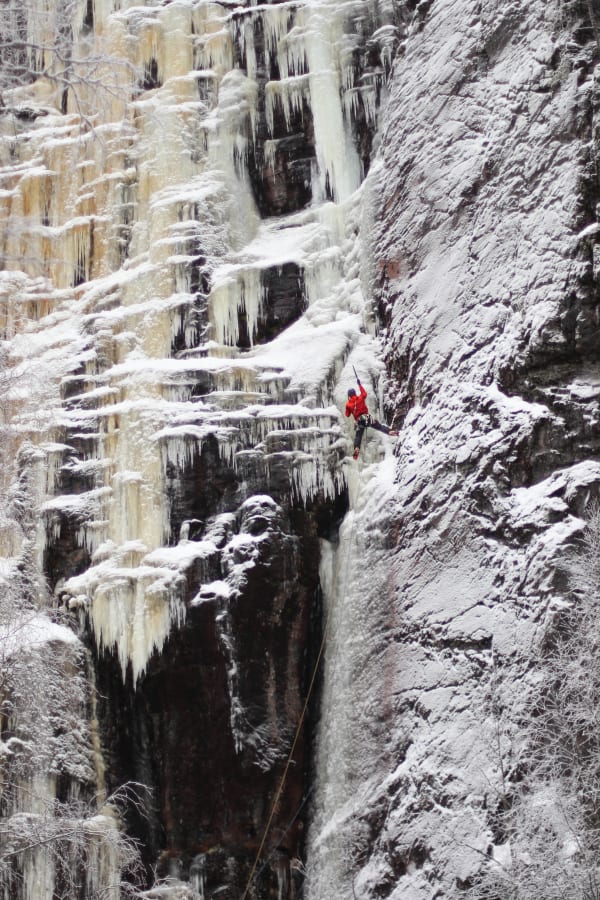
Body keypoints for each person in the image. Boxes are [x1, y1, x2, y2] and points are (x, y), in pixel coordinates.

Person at [345, 378, 398, 459]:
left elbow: (347, 414)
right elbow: (364, 393)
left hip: (359, 421)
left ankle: (356, 448)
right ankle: (390, 432)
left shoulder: (348, 404)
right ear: (355, 393)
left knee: (358, 436)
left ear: (349, 396)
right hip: (367, 418)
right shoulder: (360, 398)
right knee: (379, 426)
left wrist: (349, 407)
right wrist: (359, 384)